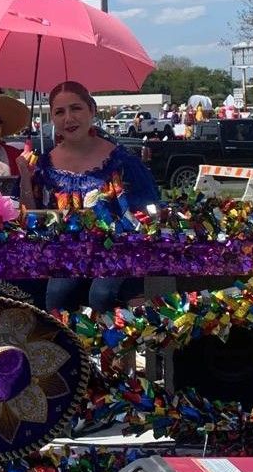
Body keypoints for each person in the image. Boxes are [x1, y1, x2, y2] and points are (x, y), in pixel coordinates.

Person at [18, 81, 160, 313]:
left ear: (92, 110)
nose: (68, 118)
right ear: (51, 118)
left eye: (76, 108)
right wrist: (25, 178)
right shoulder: (43, 166)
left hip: (119, 249)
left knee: (102, 296)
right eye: (59, 112)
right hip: (68, 253)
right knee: (57, 294)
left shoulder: (122, 162)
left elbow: (147, 215)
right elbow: (30, 219)